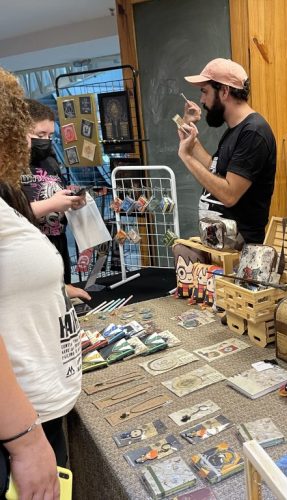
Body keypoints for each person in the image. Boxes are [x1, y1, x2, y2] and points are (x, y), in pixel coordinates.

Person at [0, 66, 82, 499]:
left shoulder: (4, 189)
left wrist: (55, 291)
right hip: (21, 424)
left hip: (39, 408)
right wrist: (24, 441)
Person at [178, 58, 277, 244]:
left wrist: (186, 157)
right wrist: (189, 137)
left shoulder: (254, 132)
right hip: (222, 245)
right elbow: (215, 169)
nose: (202, 100)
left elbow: (229, 194)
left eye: (205, 92)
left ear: (224, 91)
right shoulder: (235, 130)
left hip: (240, 252)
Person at [21, 98, 89, 300]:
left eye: (50, 135)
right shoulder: (9, 166)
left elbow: (56, 188)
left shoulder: (48, 159)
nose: (46, 141)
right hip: (30, 249)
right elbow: (9, 213)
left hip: (58, 243)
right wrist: (51, 204)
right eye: (40, 134)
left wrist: (71, 199)